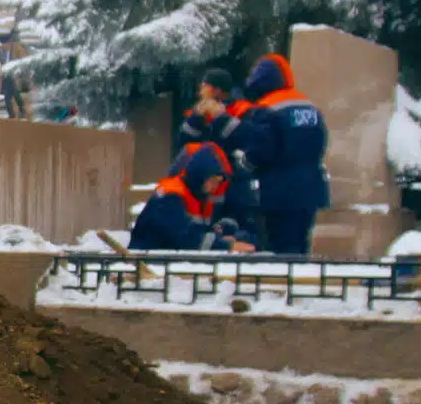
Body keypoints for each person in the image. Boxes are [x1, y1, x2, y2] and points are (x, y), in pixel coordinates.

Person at [232, 53, 328, 254]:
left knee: (282, 245)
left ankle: (284, 283)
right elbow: (321, 141)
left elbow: (262, 149)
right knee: (301, 242)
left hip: (281, 190)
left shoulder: (267, 108)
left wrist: (245, 162)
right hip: (311, 187)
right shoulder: (308, 105)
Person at [176, 69, 258, 241]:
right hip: (206, 182)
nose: (200, 91)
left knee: (240, 225)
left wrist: (220, 117)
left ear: (217, 90)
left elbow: (246, 139)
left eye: (204, 86)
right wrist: (196, 119)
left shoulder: (243, 109)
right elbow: (184, 143)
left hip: (237, 181)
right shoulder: (197, 111)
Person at [131, 144, 256, 253]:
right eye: (212, 181)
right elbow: (185, 237)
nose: (215, 187)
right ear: (201, 175)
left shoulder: (197, 196)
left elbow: (199, 232)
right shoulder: (171, 196)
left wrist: (223, 233)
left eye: (217, 182)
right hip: (147, 264)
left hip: (169, 265)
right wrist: (226, 246)